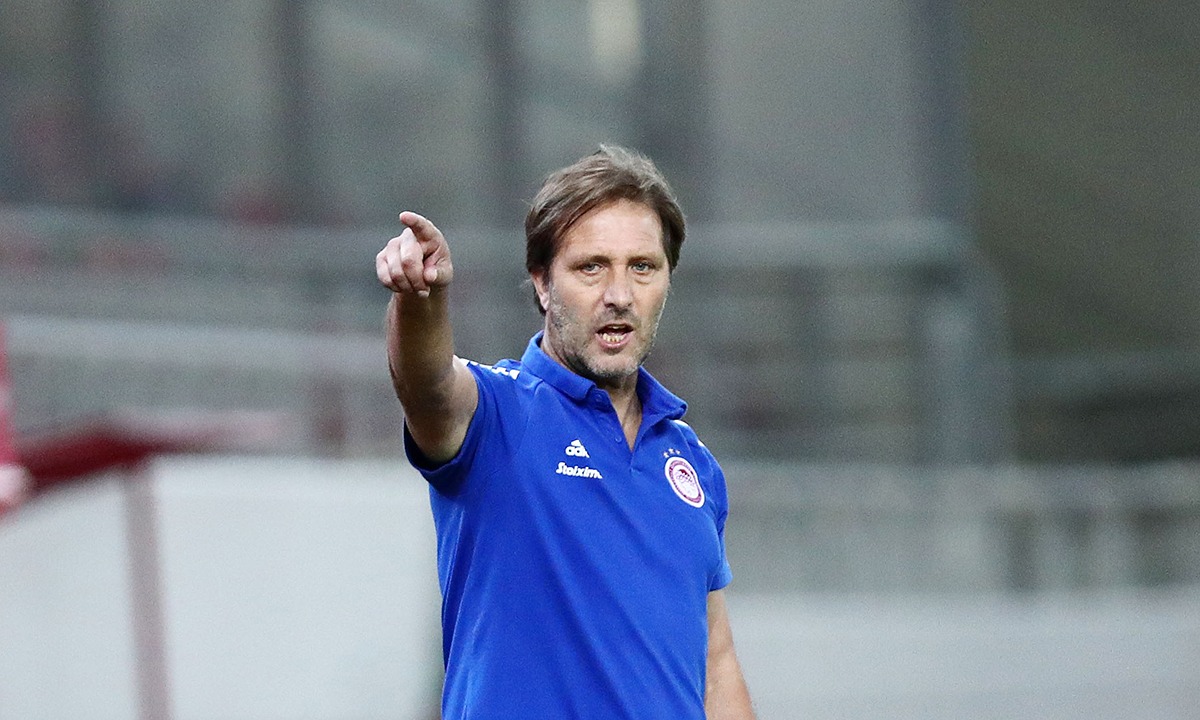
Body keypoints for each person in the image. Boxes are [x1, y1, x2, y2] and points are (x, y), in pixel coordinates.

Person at [376, 145, 755, 719]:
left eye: (643, 267)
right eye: (591, 267)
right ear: (543, 283)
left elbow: (716, 666)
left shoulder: (692, 462)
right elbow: (427, 387)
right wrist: (420, 302)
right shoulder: (500, 414)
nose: (619, 295)